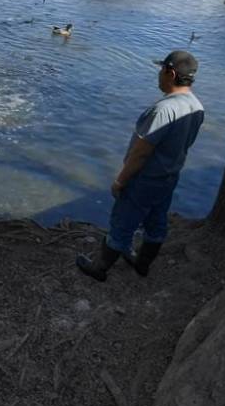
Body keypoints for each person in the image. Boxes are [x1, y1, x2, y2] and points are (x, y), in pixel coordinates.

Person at [77, 50, 204, 281]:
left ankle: (99, 269)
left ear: (170, 72)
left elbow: (141, 153)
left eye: (161, 69)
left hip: (144, 180)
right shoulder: (197, 107)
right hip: (168, 178)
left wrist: (120, 181)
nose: (158, 74)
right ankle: (142, 265)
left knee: (122, 224)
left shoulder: (164, 110)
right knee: (156, 224)